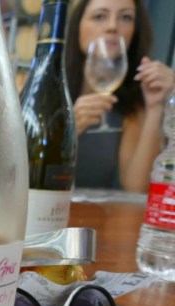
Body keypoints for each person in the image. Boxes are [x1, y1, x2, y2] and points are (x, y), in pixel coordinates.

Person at [65, 0, 175, 192]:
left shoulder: (133, 104)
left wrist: (155, 107)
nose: (112, 26)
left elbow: (135, 188)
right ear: (77, 26)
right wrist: (64, 132)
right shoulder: (46, 89)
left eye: (125, 17)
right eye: (100, 16)